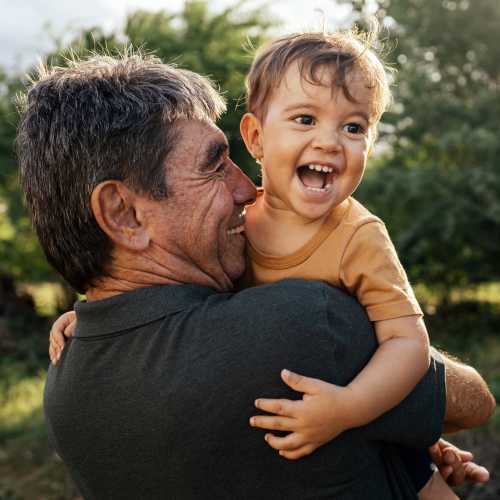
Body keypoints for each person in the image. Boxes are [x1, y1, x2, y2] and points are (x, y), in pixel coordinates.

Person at [18, 53, 495, 499]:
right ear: (124, 214)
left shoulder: (65, 390)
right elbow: (475, 402)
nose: (248, 189)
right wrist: (391, 416)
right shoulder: (304, 322)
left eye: (352, 127)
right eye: (213, 166)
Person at [236, 30, 449, 497]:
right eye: (306, 118)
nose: (330, 142)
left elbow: (407, 343)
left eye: (354, 128)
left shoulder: (358, 235)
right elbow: (172, 288)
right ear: (255, 137)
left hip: (362, 422)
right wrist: (88, 314)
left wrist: (349, 407)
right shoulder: (231, 224)